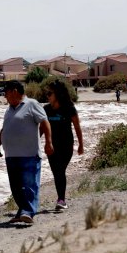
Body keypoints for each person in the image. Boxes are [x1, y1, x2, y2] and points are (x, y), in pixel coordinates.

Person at [0, 80, 54, 224]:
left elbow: (45, 122)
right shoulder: (9, 109)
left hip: (29, 154)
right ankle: (22, 211)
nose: (5, 96)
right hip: (11, 155)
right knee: (16, 188)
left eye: (6, 93)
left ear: (15, 91)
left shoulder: (32, 104)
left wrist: (48, 142)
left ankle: (28, 212)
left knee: (30, 185)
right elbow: (5, 128)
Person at [42, 79, 84, 210]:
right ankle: (61, 199)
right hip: (51, 146)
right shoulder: (46, 109)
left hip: (66, 146)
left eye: (50, 93)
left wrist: (81, 145)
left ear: (57, 94)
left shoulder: (69, 108)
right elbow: (41, 129)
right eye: (47, 93)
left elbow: (77, 127)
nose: (47, 96)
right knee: (57, 172)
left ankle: (61, 200)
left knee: (60, 170)